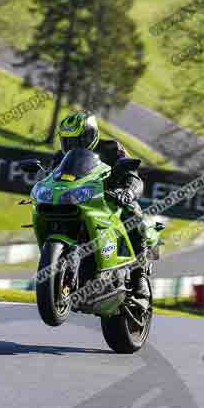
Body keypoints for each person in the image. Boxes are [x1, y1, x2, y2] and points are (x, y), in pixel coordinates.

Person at [50, 111, 151, 300]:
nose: (74, 146)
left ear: (91, 135)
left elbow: (133, 175)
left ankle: (139, 276)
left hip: (110, 201)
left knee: (135, 215)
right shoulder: (59, 158)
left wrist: (128, 191)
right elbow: (50, 179)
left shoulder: (112, 148)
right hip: (78, 203)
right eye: (68, 142)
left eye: (79, 140)